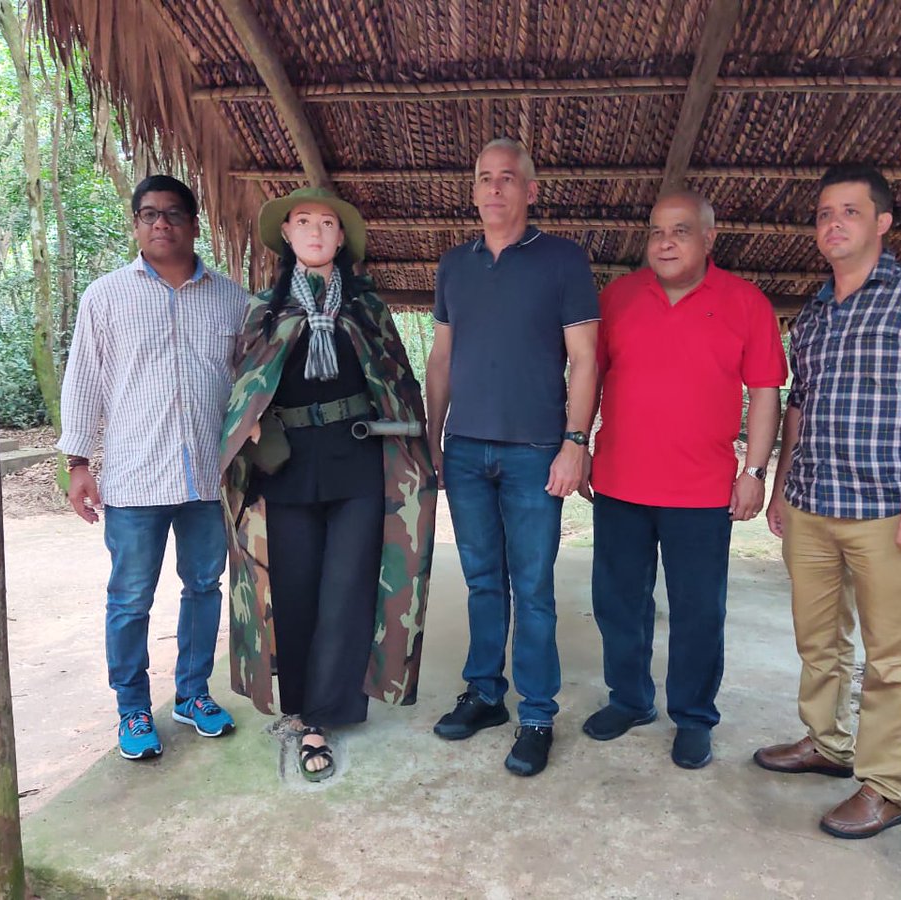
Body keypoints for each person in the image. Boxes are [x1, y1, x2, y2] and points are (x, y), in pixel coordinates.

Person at [757, 163, 901, 838]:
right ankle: (825, 742)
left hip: (889, 508)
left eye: (849, 211)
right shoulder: (815, 315)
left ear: (882, 222)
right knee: (818, 639)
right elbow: (800, 406)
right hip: (814, 505)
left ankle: (885, 787)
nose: (833, 223)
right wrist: (781, 486)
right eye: (824, 212)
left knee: (895, 656)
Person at [220, 186, 437, 782]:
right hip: (285, 468)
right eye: (303, 222)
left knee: (347, 588)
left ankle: (322, 715)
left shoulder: (368, 309)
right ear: (286, 235)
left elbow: (399, 384)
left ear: (341, 239)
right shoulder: (261, 311)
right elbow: (242, 389)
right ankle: (300, 702)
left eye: (327, 223)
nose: (316, 231)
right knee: (293, 589)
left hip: (358, 463)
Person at [581, 190, 787, 769]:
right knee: (618, 602)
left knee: (699, 609)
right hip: (619, 482)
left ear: (709, 237)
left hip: (702, 491)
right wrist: (577, 446)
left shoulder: (746, 303)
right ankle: (630, 699)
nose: (665, 242)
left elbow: (766, 392)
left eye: (680, 230)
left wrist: (754, 471)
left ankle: (694, 717)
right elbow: (589, 378)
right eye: (655, 232)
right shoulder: (618, 298)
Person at [427, 138, 599, 777]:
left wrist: (575, 442)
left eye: (508, 179)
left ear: (531, 190)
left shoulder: (562, 261)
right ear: (473, 192)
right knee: (480, 581)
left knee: (532, 586)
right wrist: (433, 437)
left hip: (535, 452)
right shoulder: (454, 265)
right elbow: (441, 359)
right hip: (466, 449)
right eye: (484, 178)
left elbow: (585, 359)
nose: (495, 188)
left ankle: (537, 714)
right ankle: (485, 694)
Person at [59, 175, 246, 760]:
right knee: (130, 598)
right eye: (147, 215)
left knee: (203, 586)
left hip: (208, 479)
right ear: (135, 225)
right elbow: (84, 380)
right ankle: (133, 709)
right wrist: (78, 462)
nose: (159, 223)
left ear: (194, 224)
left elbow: (249, 387)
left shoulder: (232, 299)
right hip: (136, 478)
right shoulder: (105, 297)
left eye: (171, 214)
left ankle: (192, 694)